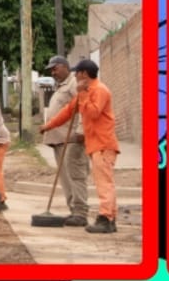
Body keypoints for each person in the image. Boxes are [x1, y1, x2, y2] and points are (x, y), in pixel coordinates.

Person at [41, 59, 120, 234]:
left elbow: (93, 113)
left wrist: (82, 94)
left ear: (83, 74)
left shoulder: (99, 90)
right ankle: (109, 218)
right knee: (104, 183)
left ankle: (106, 218)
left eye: (76, 73)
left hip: (103, 144)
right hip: (96, 145)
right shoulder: (87, 91)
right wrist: (49, 126)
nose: (75, 76)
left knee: (104, 184)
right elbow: (68, 111)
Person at [40, 57, 89, 225]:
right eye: (51, 70)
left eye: (55, 68)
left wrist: (81, 130)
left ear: (65, 67)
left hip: (72, 139)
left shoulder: (74, 84)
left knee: (75, 176)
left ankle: (81, 212)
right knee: (65, 179)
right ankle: (74, 211)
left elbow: (84, 105)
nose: (53, 72)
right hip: (59, 140)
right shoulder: (61, 87)